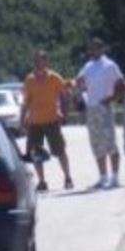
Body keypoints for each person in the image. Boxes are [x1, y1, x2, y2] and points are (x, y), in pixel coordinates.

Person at [75, 38, 125, 189]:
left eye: (97, 48)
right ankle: (103, 177)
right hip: (91, 108)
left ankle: (115, 178)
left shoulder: (110, 65)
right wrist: (78, 84)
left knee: (110, 142)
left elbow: (122, 86)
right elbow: (79, 81)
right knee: (96, 143)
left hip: (104, 108)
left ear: (102, 49)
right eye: (92, 48)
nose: (93, 51)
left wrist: (111, 98)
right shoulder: (88, 65)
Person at [22, 50, 75, 192]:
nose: (38, 62)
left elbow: (65, 94)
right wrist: (23, 118)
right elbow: (26, 101)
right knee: (35, 153)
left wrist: (64, 112)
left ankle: (68, 177)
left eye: (41, 60)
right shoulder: (29, 80)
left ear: (46, 61)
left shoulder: (54, 77)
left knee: (60, 150)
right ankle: (42, 181)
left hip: (52, 119)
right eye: (36, 60)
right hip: (34, 122)